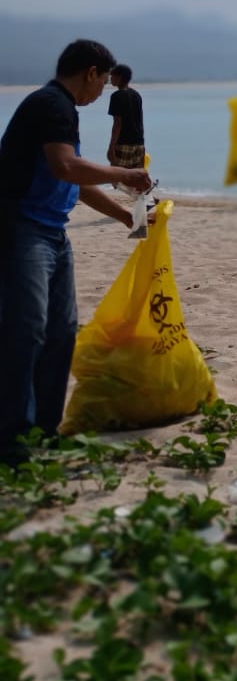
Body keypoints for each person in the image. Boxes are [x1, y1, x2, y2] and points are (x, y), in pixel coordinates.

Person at [1, 39, 153, 465]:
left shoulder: (61, 110)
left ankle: (44, 431)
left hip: (53, 232)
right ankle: (10, 436)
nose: (103, 89)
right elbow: (66, 168)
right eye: (103, 81)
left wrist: (127, 217)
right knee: (24, 329)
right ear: (91, 72)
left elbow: (74, 181)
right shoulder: (52, 105)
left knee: (61, 330)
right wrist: (126, 173)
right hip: (23, 229)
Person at [106, 64, 146, 172]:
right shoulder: (136, 95)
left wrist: (111, 148)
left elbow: (117, 124)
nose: (110, 79)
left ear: (119, 77)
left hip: (123, 143)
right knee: (136, 180)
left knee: (117, 178)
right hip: (139, 143)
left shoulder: (116, 96)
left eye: (112, 76)